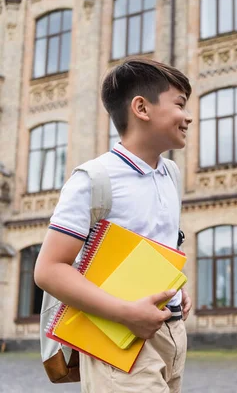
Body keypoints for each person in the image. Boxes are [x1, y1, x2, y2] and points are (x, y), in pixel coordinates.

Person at [34, 58, 193, 393]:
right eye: (179, 104)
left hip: (171, 332)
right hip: (117, 339)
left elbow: (160, 243)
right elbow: (48, 270)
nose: (188, 116)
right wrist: (126, 313)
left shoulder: (171, 175)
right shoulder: (94, 179)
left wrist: (178, 289)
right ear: (142, 108)